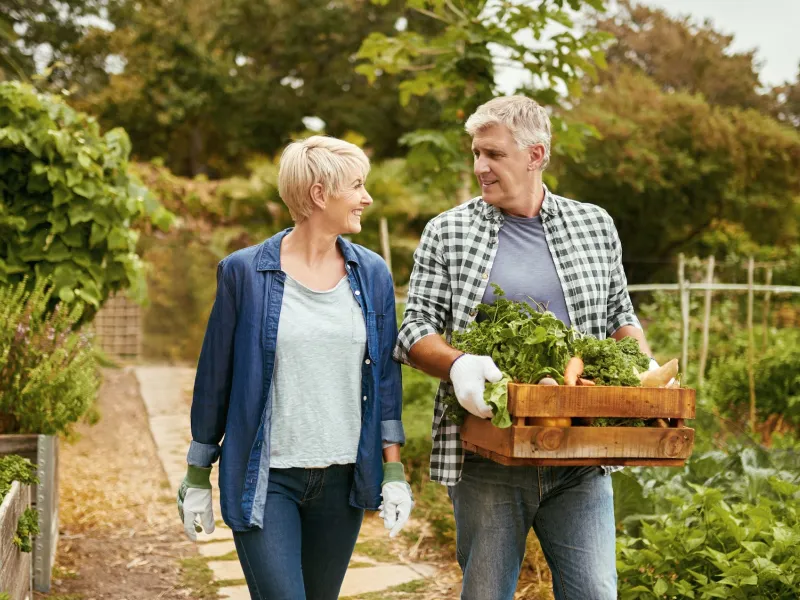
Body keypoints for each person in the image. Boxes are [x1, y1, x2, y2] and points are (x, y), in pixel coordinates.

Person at [395, 95, 657, 600]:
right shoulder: (447, 231)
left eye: (493, 155)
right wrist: (458, 364)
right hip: (489, 456)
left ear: (535, 155)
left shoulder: (594, 224)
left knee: (595, 592)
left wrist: (640, 371)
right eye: (476, 153)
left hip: (581, 455)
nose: (479, 167)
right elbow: (414, 329)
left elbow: (620, 316)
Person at [177, 135, 414, 600]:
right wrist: (196, 473)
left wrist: (394, 472)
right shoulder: (243, 273)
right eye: (357, 186)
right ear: (320, 194)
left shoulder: (373, 274)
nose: (367, 198)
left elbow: (385, 379)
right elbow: (214, 380)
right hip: (267, 477)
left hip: (342, 479)